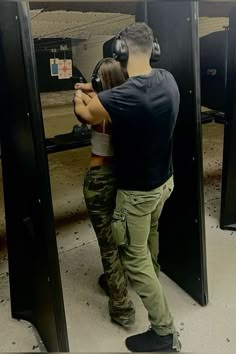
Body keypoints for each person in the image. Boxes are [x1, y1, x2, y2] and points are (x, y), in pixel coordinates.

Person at [74, 23, 181, 353]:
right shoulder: (168, 80)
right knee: (151, 236)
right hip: (165, 183)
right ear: (154, 49)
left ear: (120, 50)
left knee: (132, 257)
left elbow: (85, 113)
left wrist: (80, 92)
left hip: (137, 192)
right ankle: (154, 274)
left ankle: (164, 332)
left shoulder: (121, 96)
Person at [76, 58, 135, 328]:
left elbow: (81, 111)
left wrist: (79, 91)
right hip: (122, 177)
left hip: (99, 179)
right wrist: (94, 88)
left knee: (108, 246)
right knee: (121, 237)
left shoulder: (96, 108)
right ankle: (120, 280)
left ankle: (122, 308)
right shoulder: (127, 103)